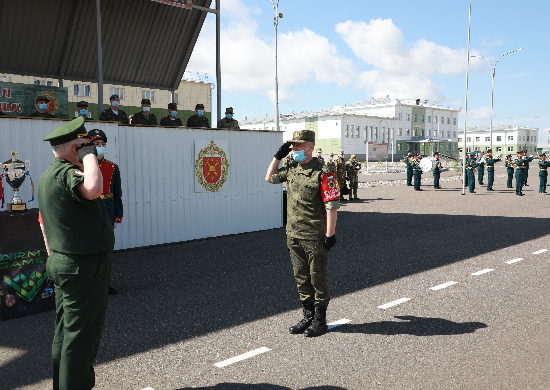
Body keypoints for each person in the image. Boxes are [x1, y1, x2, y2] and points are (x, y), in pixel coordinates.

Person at [38, 116, 114, 390]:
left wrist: (54, 256)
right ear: (74, 149)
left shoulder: (49, 175)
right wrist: (90, 156)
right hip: (83, 266)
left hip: (64, 262)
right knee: (80, 339)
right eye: (84, 144)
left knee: (66, 334)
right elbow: (93, 189)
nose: (90, 149)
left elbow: (44, 223)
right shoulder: (67, 173)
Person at [265, 130, 339, 337]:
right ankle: (307, 316)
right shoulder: (292, 169)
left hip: (314, 235)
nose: (295, 149)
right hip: (294, 234)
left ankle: (320, 320)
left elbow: (331, 206)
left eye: (299, 145)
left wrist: (330, 234)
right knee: (301, 277)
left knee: (318, 278)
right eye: (293, 146)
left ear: (310, 147)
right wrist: (277, 157)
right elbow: (269, 178)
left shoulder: (323, 171)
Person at [88, 129, 123, 295]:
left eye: (102, 144)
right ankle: (89, 282)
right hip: (90, 210)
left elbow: (117, 193)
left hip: (107, 210)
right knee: (89, 248)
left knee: (106, 249)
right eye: (96, 144)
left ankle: (105, 282)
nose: (100, 147)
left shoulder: (112, 167)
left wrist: (118, 215)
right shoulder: (81, 166)